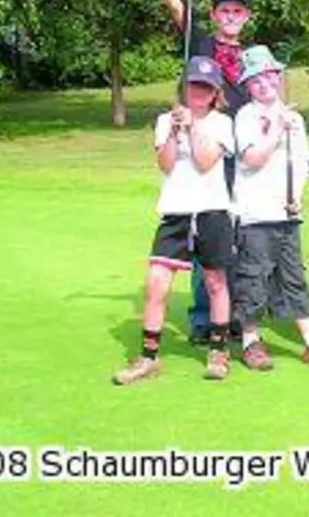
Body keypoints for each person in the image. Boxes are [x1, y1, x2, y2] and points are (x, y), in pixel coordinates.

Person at [138, 0, 252, 344]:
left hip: (240, 153)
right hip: (205, 150)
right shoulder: (200, 44)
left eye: (238, 10)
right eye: (225, 9)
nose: (231, 15)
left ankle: (234, 316)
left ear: (246, 16)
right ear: (215, 13)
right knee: (201, 236)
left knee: (231, 238)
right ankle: (205, 319)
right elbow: (174, 6)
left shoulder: (253, 54)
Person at [112, 56, 237, 384]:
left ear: (215, 93)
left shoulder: (222, 123)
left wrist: (193, 128)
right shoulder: (166, 119)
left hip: (212, 211)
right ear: (184, 86)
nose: (199, 91)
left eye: (206, 87)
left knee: (215, 282)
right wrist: (174, 132)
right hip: (175, 213)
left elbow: (206, 161)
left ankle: (218, 352)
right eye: (194, 84)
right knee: (156, 283)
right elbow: (166, 165)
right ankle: (149, 358)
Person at [230, 45, 309, 368]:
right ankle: (250, 340)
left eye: (269, 75)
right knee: (254, 279)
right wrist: (276, 129)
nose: (264, 84)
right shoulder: (246, 116)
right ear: (247, 86)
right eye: (255, 80)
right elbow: (252, 158)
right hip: (254, 214)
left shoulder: (295, 119)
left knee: (292, 278)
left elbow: (301, 162)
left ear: (278, 76)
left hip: (286, 214)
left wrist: (296, 195)